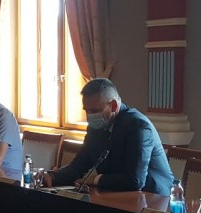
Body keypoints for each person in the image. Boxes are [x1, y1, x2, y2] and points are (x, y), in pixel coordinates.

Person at [41, 78, 174, 193]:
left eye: (94, 110)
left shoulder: (138, 126)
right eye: (86, 111)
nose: (89, 116)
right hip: (115, 194)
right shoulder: (96, 127)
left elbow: (135, 180)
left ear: (114, 106)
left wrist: (96, 179)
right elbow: (79, 164)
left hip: (153, 198)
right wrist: (52, 176)